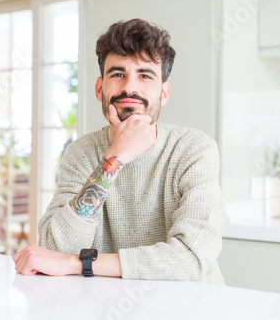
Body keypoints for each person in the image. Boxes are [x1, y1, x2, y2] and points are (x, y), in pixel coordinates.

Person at [13, 18, 228, 284]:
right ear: (99, 88)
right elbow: (55, 247)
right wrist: (115, 158)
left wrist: (79, 263)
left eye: (145, 75)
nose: (129, 87)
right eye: (117, 74)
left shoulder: (194, 148)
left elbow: (193, 259)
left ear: (164, 93)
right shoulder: (81, 152)